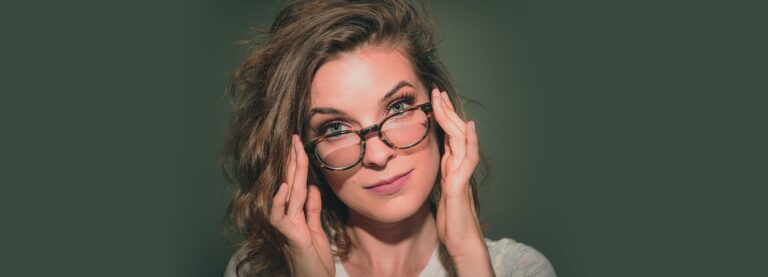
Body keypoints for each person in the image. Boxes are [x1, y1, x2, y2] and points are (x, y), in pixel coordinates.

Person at [221, 0, 556, 276]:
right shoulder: (254, 272)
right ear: (302, 151)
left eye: (398, 107)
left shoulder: (518, 270)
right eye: (335, 128)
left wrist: (469, 256)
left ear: (441, 110)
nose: (378, 156)